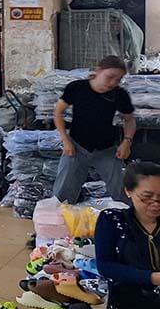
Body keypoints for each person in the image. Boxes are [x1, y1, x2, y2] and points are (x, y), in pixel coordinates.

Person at [53, 55, 136, 203]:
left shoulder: (119, 94)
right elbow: (58, 112)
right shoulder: (77, 88)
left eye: (118, 80)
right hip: (76, 146)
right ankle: (58, 223)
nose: (113, 83)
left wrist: (127, 142)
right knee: (63, 193)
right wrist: (65, 140)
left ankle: (128, 221)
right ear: (98, 71)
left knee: (122, 192)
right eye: (109, 77)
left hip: (107, 149)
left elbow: (129, 119)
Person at [94, 161, 160, 309]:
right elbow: (105, 266)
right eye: (147, 197)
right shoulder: (112, 221)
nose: (155, 203)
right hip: (132, 293)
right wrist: (152, 278)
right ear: (128, 192)